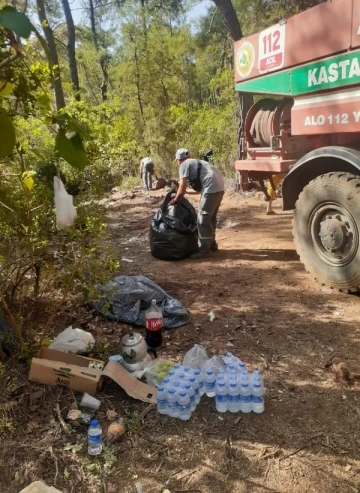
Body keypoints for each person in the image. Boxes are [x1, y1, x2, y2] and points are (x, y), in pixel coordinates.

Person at [171, 148, 225, 259]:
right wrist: (184, 192)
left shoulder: (184, 165)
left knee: (202, 218)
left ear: (179, 160)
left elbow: (181, 189)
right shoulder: (197, 162)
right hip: (219, 187)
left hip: (211, 187)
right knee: (211, 217)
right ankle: (212, 244)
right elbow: (198, 191)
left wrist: (175, 200)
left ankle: (205, 249)